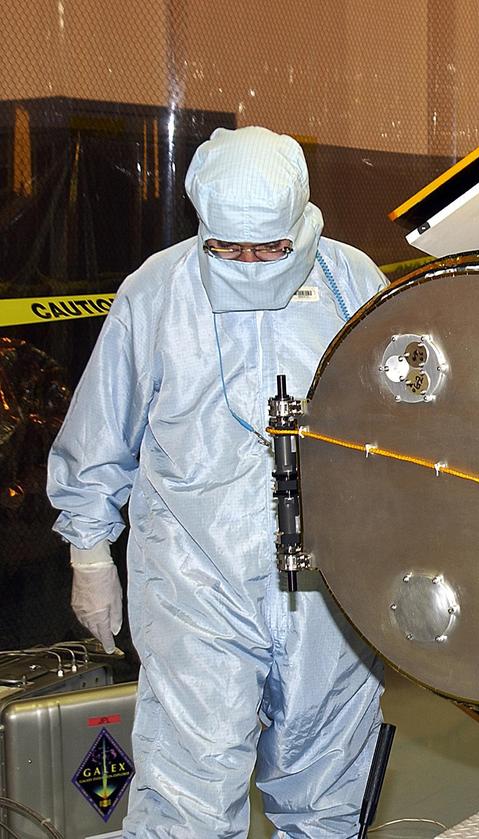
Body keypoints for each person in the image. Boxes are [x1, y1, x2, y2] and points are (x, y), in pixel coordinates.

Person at [47, 126, 386, 838]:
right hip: (195, 579)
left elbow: (403, 429)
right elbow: (101, 428)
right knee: (188, 793)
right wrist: (89, 552)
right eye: (230, 249)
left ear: (301, 222)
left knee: (327, 785)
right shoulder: (157, 290)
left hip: (328, 582)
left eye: (270, 249)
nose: (251, 264)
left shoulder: (351, 281)